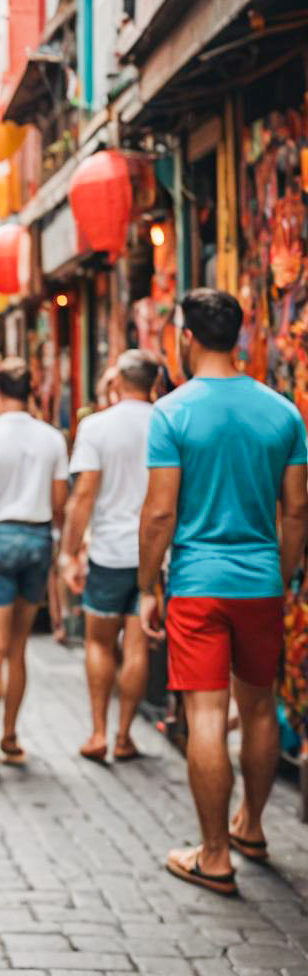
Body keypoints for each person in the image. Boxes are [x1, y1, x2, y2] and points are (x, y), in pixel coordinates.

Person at [139, 288, 308, 896]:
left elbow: (160, 514)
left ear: (187, 336)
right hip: (262, 582)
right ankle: (253, 828)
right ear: (237, 335)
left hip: (197, 585)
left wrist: (146, 586)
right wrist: (281, 576)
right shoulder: (284, 413)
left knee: (206, 715)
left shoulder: (173, 412)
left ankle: (214, 856)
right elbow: (297, 512)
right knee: (260, 707)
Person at [0, 358, 68, 777]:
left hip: (0, 539)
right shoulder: (52, 439)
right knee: (18, 648)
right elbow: (59, 503)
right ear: (30, 389)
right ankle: (10, 736)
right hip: (38, 538)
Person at [60, 349, 158, 763]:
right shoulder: (167, 420)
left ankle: (98, 732)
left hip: (109, 553)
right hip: (154, 553)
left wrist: (69, 551)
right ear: (154, 383)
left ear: (117, 382)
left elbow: (83, 495)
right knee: (137, 645)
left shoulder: (97, 427)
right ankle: (123, 735)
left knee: (100, 643)